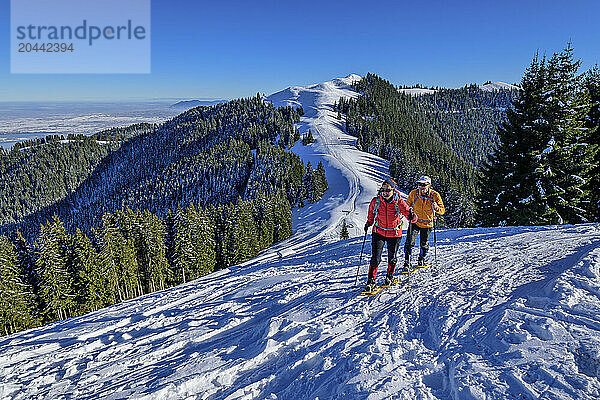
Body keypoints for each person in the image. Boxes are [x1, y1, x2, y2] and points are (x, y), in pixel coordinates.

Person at [364, 178, 417, 292]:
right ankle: (371, 281)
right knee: (375, 258)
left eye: (388, 190)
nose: (385, 192)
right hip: (378, 232)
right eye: (383, 190)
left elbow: (409, 214)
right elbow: (371, 213)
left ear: (393, 190)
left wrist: (412, 217)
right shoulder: (376, 201)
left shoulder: (399, 202)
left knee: (392, 258)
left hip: (394, 233)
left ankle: (389, 277)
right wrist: (369, 222)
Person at [403, 175, 445, 270]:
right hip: (415, 222)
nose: (421, 186)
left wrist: (436, 208)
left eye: (424, 185)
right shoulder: (414, 193)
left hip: (427, 224)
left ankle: (421, 258)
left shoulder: (435, 195)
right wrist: (407, 213)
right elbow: (406, 205)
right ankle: (407, 262)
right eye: (419, 184)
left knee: (424, 243)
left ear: (429, 185)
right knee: (409, 242)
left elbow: (442, 210)